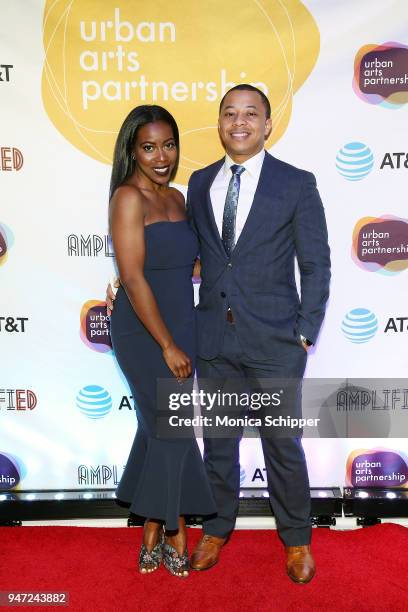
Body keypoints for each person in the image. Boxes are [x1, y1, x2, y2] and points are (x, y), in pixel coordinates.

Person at [108, 85, 331, 583]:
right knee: (220, 444)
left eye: (251, 114)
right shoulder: (200, 183)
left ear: (267, 124)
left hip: (275, 343)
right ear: (219, 122)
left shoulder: (296, 184)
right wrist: (121, 282)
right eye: (230, 113)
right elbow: (171, 257)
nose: (239, 122)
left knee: (282, 445)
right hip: (210, 340)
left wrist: (305, 334)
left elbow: (316, 264)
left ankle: (296, 541)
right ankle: (215, 530)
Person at [108, 105, 216, 578]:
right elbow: (132, 277)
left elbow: (183, 263)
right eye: (149, 147)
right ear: (132, 149)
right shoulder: (128, 198)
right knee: (172, 430)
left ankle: (149, 521)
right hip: (144, 330)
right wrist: (167, 345)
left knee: (157, 428)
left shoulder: (177, 197)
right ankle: (174, 529)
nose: (161, 155)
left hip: (181, 324)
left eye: (168, 145)